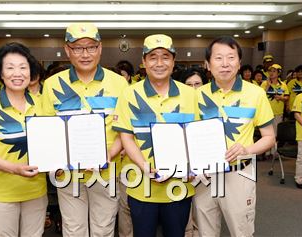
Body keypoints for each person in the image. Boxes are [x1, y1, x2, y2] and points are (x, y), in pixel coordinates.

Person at [41, 22, 126, 237]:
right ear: (67, 50)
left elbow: (125, 131)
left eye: (90, 47)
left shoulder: (119, 83)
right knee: (73, 229)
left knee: (104, 228)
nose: (85, 54)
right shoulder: (52, 85)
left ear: (100, 48)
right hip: (68, 173)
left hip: (107, 170)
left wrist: (109, 154)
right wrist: (55, 163)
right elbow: (47, 131)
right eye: (78, 48)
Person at [112, 34, 198, 237]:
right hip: (140, 184)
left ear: (174, 61)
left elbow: (196, 137)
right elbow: (126, 137)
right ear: (143, 62)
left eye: (165, 56)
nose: (159, 63)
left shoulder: (190, 94)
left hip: (180, 185)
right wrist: (145, 167)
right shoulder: (129, 94)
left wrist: (196, 165)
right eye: (153, 57)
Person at [194, 36, 275, 237]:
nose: (225, 64)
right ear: (207, 64)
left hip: (239, 173)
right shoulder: (196, 95)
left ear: (239, 63)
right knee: (205, 231)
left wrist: (246, 150)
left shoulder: (256, 94)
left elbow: (269, 137)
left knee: (242, 231)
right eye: (218, 58)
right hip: (204, 176)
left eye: (231, 58)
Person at [0, 42, 47, 236]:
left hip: (36, 190)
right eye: (10, 68)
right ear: (1, 73)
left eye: (23, 67)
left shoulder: (42, 105)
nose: (18, 73)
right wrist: (15, 168)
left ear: (31, 72)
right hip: (3, 192)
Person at [261, 64, 289, 159]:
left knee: (275, 133)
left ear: (278, 73)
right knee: (266, 133)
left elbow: (287, 97)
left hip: (278, 112)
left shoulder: (283, 85)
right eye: (270, 71)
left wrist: (281, 98)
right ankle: (266, 152)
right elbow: (260, 96)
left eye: (274, 71)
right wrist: (268, 86)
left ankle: (274, 152)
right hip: (266, 112)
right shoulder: (264, 83)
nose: (271, 73)